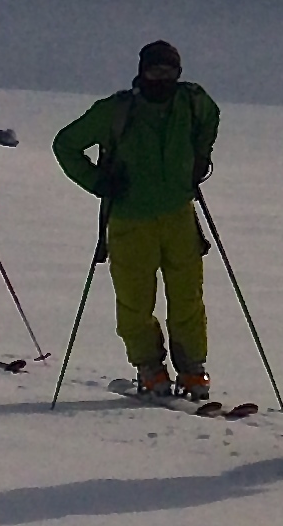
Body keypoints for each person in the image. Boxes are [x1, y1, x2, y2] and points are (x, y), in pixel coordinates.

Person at [52, 39, 221, 399]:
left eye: (169, 71)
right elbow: (65, 144)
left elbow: (211, 117)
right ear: (141, 71)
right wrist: (99, 181)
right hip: (130, 219)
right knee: (135, 301)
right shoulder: (116, 110)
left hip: (179, 214)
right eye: (154, 70)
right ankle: (150, 369)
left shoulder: (191, 101)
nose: (162, 77)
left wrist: (198, 158)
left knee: (188, 297)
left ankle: (192, 370)